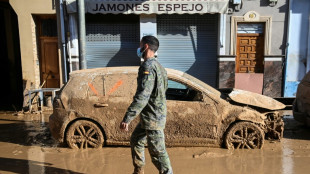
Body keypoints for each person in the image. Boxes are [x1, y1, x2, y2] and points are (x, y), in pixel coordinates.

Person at [119, 36, 173, 174]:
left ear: (146, 46)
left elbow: (143, 95)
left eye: (140, 45)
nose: (139, 48)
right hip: (150, 116)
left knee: (158, 154)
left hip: (153, 118)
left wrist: (128, 117)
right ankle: (139, 170)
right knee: (136, 139)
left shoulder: (148, 67)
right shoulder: (160, 67)